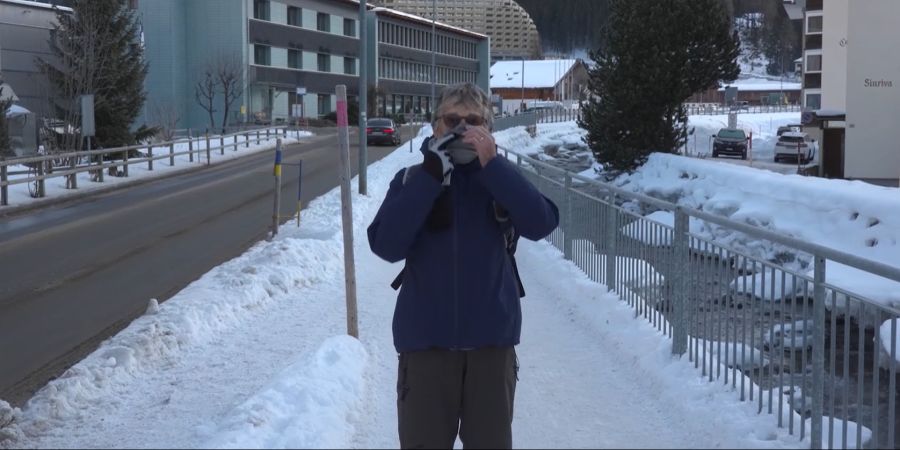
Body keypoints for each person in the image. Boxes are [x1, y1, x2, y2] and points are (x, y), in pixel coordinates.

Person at [367, 83, 560, 449]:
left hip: (491, 349)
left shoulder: (499, 180)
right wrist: (430, 176)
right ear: (435, 125)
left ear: (488, 128)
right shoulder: (411, 180)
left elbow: (541, 223)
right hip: (425, 350)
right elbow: (386, 245)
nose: (461, 129)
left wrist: (494, 167)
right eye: (452, 119)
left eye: (473, 121)